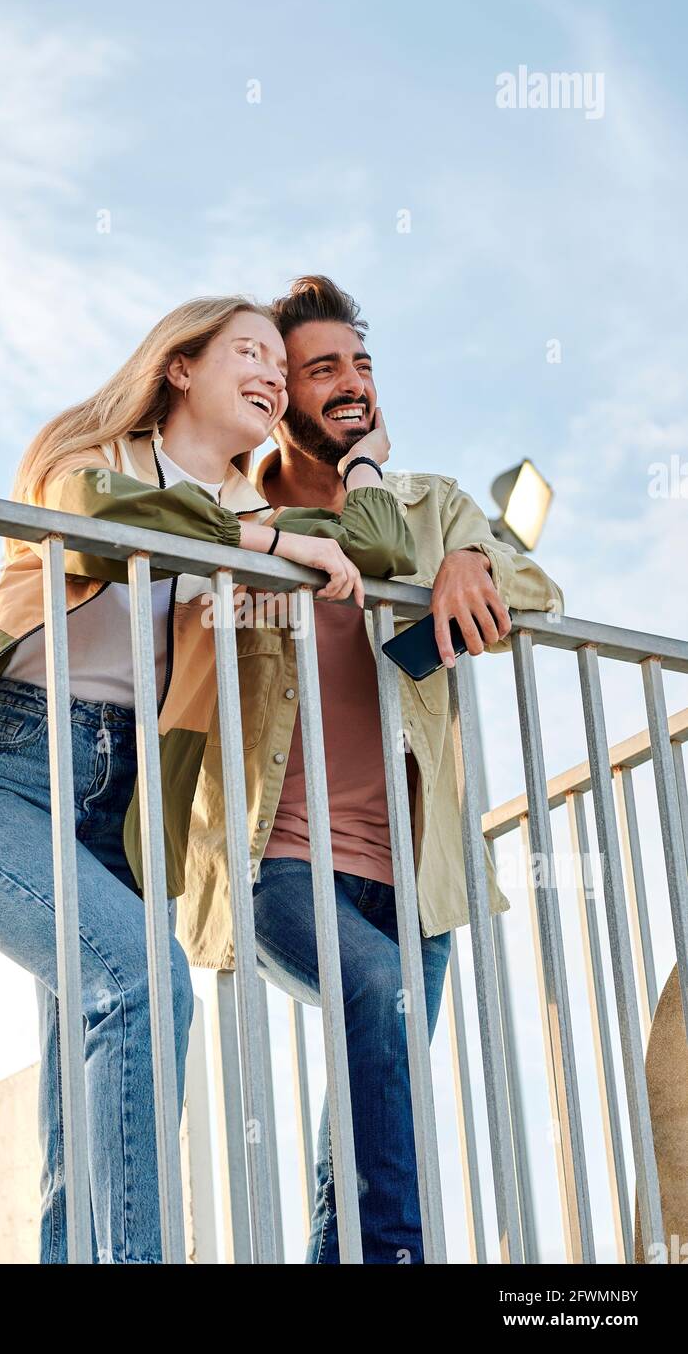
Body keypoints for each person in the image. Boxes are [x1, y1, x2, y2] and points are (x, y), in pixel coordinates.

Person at [0, 293, 415, 1263]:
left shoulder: (244, 515)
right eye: (247, 352)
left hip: (115, 809)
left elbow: (377, 552)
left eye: (277, 361)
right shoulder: (85, 452)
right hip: (1, 774)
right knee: (142, 981)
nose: (270, 372)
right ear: (179, 365)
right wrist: (267, 542)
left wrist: (362, 467)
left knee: (84, 1068)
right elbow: (104, 522)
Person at [123, 275, 567, 1263]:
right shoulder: (232, 511)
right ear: (279, 389)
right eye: (319, 367)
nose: (349, 382)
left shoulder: (430, 504)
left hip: (421, 883)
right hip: (279, 861)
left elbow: (539, 583)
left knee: (364, 1107)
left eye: (359, 364)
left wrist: (472, 565)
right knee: (377, 1008)